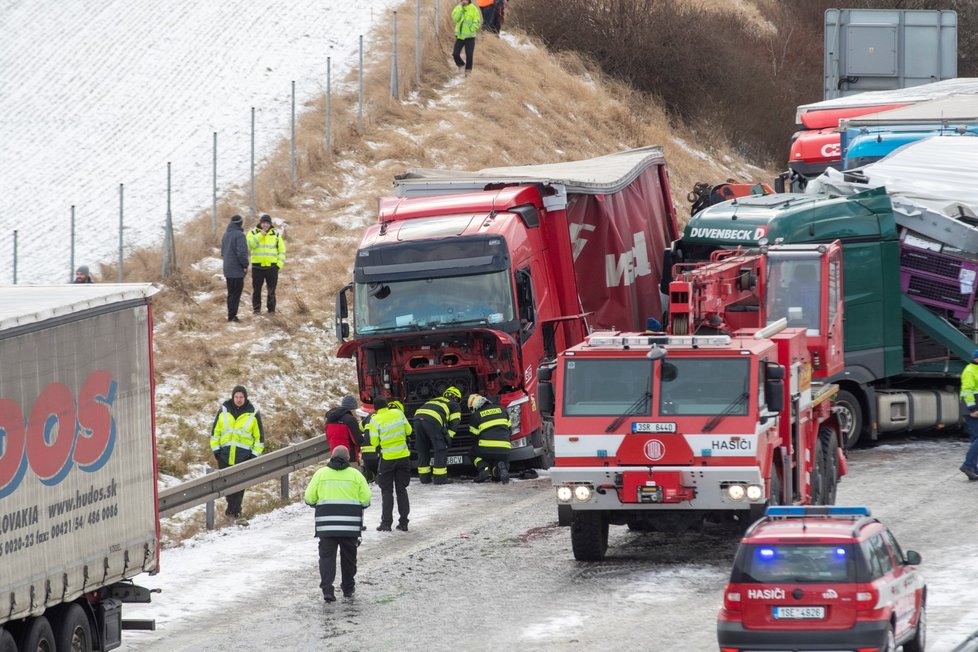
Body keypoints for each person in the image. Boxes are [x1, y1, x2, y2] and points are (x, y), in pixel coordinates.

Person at [304, 445, 371, 602]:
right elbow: (366, 499)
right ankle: (348, 588)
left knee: (327, 558)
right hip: (350, 527)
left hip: (326, 527)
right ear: (348, 458)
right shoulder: (356, 475)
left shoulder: (321, 474)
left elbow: (309, 498)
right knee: (349, 558)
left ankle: (327, 589)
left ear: (331, 456)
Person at [210, 385, 265, 519]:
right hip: (225, 456)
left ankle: (235, 512)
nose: (239, 399)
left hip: (244, 457)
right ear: (232, 397)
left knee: (239, 487)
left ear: (245, 398)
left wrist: (254, 455)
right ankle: (232, 511)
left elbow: (259, 438)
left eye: (241, 397)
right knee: (228, 486)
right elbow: (215, 432)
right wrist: (216, 451)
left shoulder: (252, 413)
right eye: (236, 397)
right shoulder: (223, 411)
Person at [366, 396, 413, 532]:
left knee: (387, 492)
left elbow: (374, 442)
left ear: (375, 409)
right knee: (401, 490)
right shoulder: (398, 413)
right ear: (387, 405)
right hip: (404, 458)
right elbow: (409, 431)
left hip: (387, 460)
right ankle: (404, 522)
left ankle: (386, 523)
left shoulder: (375, 420)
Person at [413, 387, 461, 485]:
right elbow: (454, 422)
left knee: (422, 449)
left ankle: (424, 478)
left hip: (417, 418)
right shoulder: (454, 404)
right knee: (440, 448)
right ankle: (440, 478)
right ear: (455, 397)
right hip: (432, 419)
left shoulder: (434, 400)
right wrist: (449, 437)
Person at [467, 393, 512, 484]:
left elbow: (473, 435)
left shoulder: (476, 415)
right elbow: (509, 429)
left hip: (485, 448)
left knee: (473, 454)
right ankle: (499, 469)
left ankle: (485, 469)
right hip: (505, 447)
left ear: (474, 405)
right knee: (501, 460)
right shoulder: (502, 410)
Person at [246, 213, 286, 314]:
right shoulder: (253, 232)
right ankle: (256, 310)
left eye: (268, 223)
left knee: (271, 290)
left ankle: (271, 310)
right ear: (260, 223)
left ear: (270, 224)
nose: (266, 225)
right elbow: (249, 246)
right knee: (257, 290)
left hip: (272, 267)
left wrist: (279, 265)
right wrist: (260, 235)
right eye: (264, 223)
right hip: (257, 267)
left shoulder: (276, 234)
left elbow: (282, 250)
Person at [221, 214, 250, 322]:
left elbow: (223, 252)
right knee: (236, 293)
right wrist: (245, 265)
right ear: (240, 223)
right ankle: (232, 316)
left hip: (227, 268)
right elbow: (242, 253)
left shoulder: (226, 234)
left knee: (231, 293)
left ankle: (231, 314)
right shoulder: (240, 235)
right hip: (236, 269)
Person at [325, 395, 364, 464]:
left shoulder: (329, 420)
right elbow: (357, 440)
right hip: (349, 456)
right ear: (352, 408)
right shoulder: (350, 420)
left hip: (334, 456)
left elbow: (328, 437)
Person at [451, 0, 482, 76]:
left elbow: (477, 21)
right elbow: (455, 19)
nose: (464, 1)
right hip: (460, 37)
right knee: (455, 54)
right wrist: (461, 8)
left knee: (469, 56)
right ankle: (461, 65)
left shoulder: (474, 9)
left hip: (470, 37)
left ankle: (468, 74)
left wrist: (471, 28)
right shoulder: (458, 8)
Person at [961, 349, 978, 481]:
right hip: (972, 409)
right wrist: (972, 409)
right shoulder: (970, 370)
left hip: (974, 408)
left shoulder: (975, 369)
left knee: (975, 439)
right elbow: (967, 391)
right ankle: (968, 465)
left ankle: (973, 468)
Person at [358, 407, 379, 483]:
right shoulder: (382, 418)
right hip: (377, 454)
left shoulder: (367, 418)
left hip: (366, 454)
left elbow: (359, 428)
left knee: (370, 479)